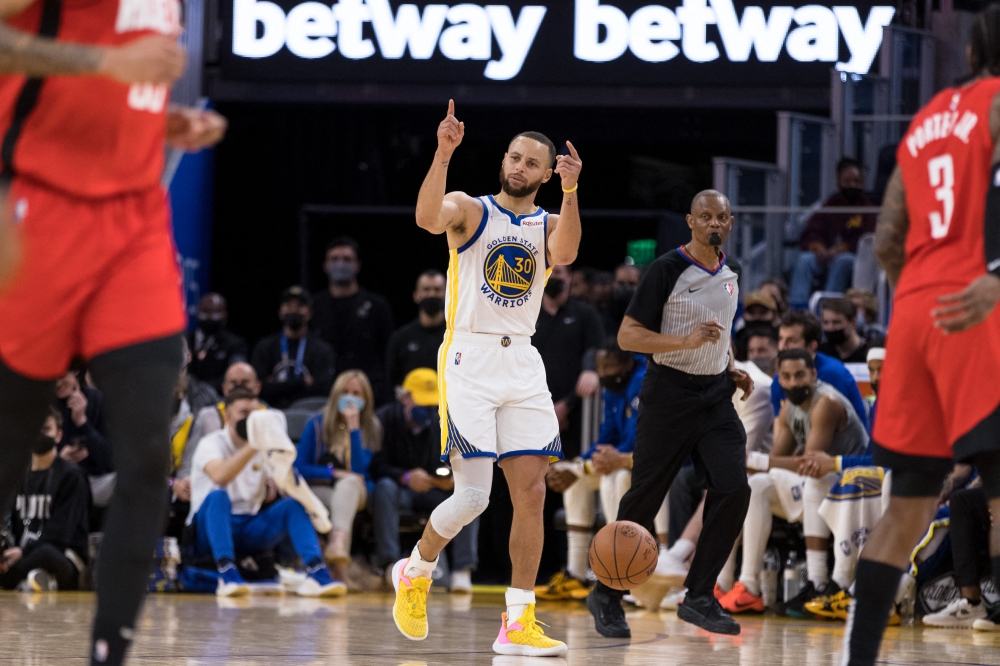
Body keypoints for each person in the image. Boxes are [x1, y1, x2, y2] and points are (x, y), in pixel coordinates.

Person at [0, 10, 225, 661]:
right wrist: (105, 65)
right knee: (10, 447)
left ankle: (110, 652)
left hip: (135, 224)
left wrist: (157, 123)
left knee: (149, 455)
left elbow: (119, 90)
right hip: (41, 209)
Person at [393, 99, 582, 657]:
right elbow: (428, 218)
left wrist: (572, 193)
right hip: (469, 359)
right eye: (514, 157)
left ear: (546, 175)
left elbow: (566, 253)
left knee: (531, 493)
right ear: (504, 160)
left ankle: (517, 621)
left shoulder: (548, 220)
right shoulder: (471, 211)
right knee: (474, 496)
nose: (520, 167)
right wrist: (442, 153)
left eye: (531, 164)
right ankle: (418, 570)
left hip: (522, 361)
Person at [842, 9, 1000, 660]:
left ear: (967, 49)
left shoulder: (927, 118)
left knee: (906, 506)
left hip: (911, 311)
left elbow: (886, 240)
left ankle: (858, 659)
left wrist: (923, 291)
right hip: (975, 303)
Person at [586, 190, 753, 638]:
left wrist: (730, 366)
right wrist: (686, 343)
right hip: (669, 394)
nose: (714, 223)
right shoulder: (666, 269)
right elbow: (627, 336)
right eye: (705, 216)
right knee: (645, 495)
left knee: (734, 487)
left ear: (730, 223)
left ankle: (698, 596)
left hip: (715, 395)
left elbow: (718, 331)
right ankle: (606, 594)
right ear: (690, 222)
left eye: (721, 216)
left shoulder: (732, 271)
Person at [718, 350, 868, 615]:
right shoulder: (788, 408)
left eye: (800, 375)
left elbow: (808, 464)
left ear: (813, 375)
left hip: (854, 485)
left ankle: (818, 583)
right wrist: (755, 464)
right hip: (822, 485)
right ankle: (741, 585)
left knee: (804, 478)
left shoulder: (826, 403)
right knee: (755, 485)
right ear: (779, 378)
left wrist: (753, 459)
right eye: (786, 376)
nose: (793, 382)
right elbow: (779, 459)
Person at [187, 388, 345, 598]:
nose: (251, 420)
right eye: (244, 414)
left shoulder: (263, 448)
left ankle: (316, 571)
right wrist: (255, 444)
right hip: (208, 529)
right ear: (227, 416)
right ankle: (227, 573)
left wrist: (276, 481)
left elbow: (284, 482)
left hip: (249, 527)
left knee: (292, 505)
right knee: (218, 496)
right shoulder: (211, 443)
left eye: (255, 415)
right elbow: (220, 477)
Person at [538, 340, 646, 600]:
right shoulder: (612, 388)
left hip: (645, 460)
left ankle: (615, 567)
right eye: (600, 368)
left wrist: (590, 464)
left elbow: (634, 439)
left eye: (609, 366)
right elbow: (606, 436)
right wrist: (578, 464)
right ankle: (576, 573)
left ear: (626, 363)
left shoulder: (642, 380)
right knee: (575, 477)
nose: (603, 373)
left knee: (615, 477)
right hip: (618, 457)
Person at [371, 368, 479, 592]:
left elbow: (452, 464)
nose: (427, 409)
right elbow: (374, 465)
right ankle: (389, 564)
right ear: (404, 397)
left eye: (432, 403)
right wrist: (405, 477)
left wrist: (450, 479)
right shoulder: (382, 420)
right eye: (422, 403)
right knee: (384, 488)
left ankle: (462, 569)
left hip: (432, 491)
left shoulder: (442, 422)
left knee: (469, 495)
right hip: (400, 490)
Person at [294, 370, 379, 582]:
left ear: (365, 399)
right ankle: (340, 569)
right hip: (319, 488)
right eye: (345, 392)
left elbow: (359, 472)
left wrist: (354, 429)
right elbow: (299, 467)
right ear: (335, 395)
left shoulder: (372, 427)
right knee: (342, 499)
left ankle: (335, 544)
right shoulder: (316, 424)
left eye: (356, 393)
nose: (350, 397)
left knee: (349, 484)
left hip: (356, 491)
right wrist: (332, 472)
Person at [0, 409, 89, 592]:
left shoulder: (71, 477)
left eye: (46, 429)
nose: (39, 434)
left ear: (58, 435)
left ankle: (21, 581)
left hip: (64, 557)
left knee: (46, 553)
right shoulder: (16, 476)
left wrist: (22, 553)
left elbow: (59, 536)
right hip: (21, 557)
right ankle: (33, 581)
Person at [311, 237, 395, 404]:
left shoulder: (377, 306)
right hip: (326, 393)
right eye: (334, 259)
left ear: (357, 265)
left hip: (369, 392)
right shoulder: (313, 306)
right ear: (326, 266)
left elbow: (388, 354)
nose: (340, 264)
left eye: (347, 259)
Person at [533, 263, 604, 459]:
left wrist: (567, 404)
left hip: (575, 411)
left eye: (557, 272)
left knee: (569, 472)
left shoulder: (585, 314)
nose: (552, 277)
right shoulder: (528, 314)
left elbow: (596, 349)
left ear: (569, 277)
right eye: (548, 273)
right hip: (533, 409)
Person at [790, 158, 878, 308]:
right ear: (838, 182)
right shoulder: (830, 205)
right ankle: (798, 308)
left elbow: (867, 241)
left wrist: (840, 250)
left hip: (854, 260)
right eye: (847, 181)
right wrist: (819, 248)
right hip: (825, 255)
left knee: (842, 260)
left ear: (862, 183)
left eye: (856, 181)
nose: (852, 185)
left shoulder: (868, 209)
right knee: (805, 259)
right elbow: (812, 231)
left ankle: (829, 308)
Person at [771, 311, 869, 429]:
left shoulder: (831, 375)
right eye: (781, 339)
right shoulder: (779, 380)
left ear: (812, 346)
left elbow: (829, 437)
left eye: (791, 341)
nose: (782, 347)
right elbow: (781, 431)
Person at [251, 286, 336, 409]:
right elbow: (259, 388)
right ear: (280, 312)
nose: (294, 310)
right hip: (271, 413)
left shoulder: (323, 350)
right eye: (289, 306)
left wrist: (277, 386)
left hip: (309, 413)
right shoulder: (264, 347)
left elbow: (323, 391)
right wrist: (303, 383)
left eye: (300, 306)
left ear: (309, 313)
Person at [385, 270, 447, 388]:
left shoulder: (456, 336)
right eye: (426, 289)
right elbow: (392, 382)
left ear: (447, 293)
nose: (431, 294)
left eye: (437, 290)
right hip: (412, 404)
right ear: (416, 295)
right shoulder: (400, 338)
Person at [53, 367, 113, 479]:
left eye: (61, 375)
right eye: (51, 378)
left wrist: (82, 422)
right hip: (58, 477)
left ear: (75, 371)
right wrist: (59, 461)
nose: (58, 383)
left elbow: (107, 461)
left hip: (96, 477)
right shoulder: (44, 407)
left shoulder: (96, 399)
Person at [187, 294, 248, 391]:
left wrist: (200, 388)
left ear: (224, 315)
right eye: (205, 313)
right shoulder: (186, 340)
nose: (210, 318)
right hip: (184, 396)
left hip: (218, 397)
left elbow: (235, 376)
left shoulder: (234, 344)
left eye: (215, 314)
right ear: (198, 312)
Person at [818, 298, 871, 363]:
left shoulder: (869, 352)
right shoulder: (821, 353)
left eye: (836, 322)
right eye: (826, 322)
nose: (830, 328)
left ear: (853, 322)